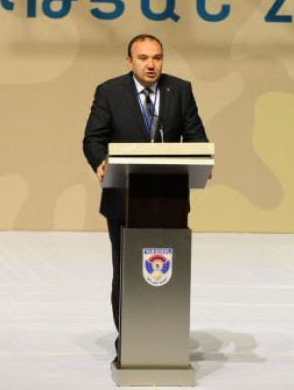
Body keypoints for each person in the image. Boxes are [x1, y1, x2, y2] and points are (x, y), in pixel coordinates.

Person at [82, 33, 208, 361]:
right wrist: (100, 161)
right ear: (129, 61)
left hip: (169, 200)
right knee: (126, 272)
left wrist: (203, 161)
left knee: (166, 272)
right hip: (123, 199)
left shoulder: (180, 90)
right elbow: (93, 138)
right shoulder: (110, 92)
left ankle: (165, 340)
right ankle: (128, 342)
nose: (151, 64)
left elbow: (196, 136)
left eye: (157, 57)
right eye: (143, 58)